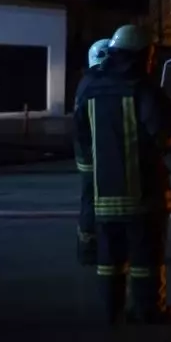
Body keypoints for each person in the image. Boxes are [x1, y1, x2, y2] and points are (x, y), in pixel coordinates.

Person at [74, 24, 171, 324]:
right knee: (146, 258)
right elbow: (165, 134)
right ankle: (149, 310)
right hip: (144, 195)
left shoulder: (89, 87)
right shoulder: (143, 88)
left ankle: (112, 309)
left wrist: (92, 180)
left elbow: (82, 140)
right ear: (143, 54)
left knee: (109, 259)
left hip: (103, 196)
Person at [73, 38, 110, 266]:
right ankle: (90, 249)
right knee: (93, 202)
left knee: (90, 199)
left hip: (86, 152)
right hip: (93, 152)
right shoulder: (96, 83)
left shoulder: (87, 81)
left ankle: (89, 247)